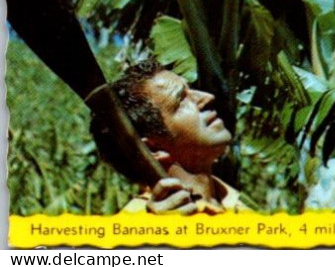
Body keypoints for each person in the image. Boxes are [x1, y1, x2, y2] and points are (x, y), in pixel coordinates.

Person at [92, 59, 245, 214]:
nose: (207, 97)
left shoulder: (242, 207)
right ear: (152, 148)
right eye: (181, 99)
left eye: (191, 90)